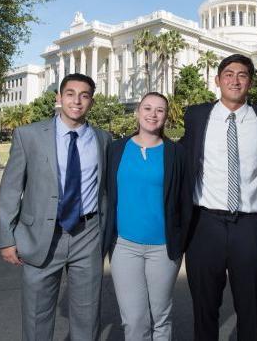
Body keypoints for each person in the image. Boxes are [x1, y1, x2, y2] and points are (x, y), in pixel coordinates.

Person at [0, 73, 111, 341]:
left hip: (88, 234)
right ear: (59, 98)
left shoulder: (103, 139)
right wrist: (6, 237)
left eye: (85, 96)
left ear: (91, 102)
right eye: (70, 93)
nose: (77, 101)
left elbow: (107, 188)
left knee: (88, 314)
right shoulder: (29, 135)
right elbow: (11, 190)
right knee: (37, 316)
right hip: (40, 236)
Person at [181, 54, 257, 340]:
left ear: (250, 81)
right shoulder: (197, 116)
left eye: (242, 75)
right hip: (205, 224)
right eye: (228, 74)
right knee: (204, 307)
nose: (235, 80)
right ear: (217, 80)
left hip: (250, 226)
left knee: (250, 308)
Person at [104, 92, 191, 341]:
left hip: (163, 249)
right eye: (147, 108)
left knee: (161, 316)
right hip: (124, 247)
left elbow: (185, 201)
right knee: (133, 319)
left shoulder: (176, 153)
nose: (153, 114)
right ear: (137, 112)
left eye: (160, 110)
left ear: (166, 116)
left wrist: (180, 241)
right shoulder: (116, 149)